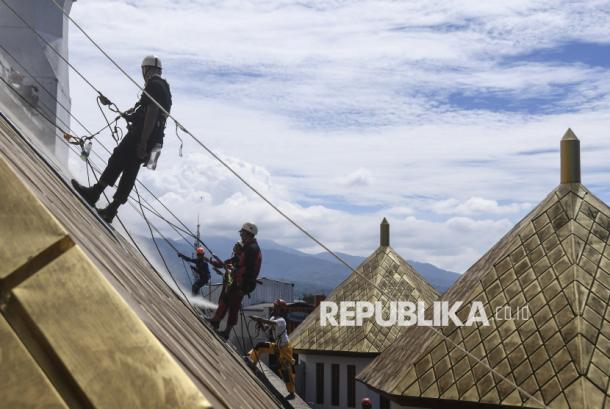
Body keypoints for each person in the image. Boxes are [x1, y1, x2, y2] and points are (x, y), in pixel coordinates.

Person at [71, 55, 172, 223]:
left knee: (117, 159)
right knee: (131, 170)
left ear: (146, 69)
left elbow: (152, 112)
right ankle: (111, 210)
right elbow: (154, 114)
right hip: (155, 139)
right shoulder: (165, 88)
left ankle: (95, 193)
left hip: (141, 135)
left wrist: (142, 141)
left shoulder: (153, 85)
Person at [208, 222, 262, 339]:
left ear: (248, 233)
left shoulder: (252, 249)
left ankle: (226, 332)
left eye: (242, 232)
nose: (241, 234)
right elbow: (235, 261)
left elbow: (249, 269)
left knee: (234, 306)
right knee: (225, 300)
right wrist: (219, 264)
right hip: (238, 281)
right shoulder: (248, 248)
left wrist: (241, 283)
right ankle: (216, 321)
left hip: (243, 283)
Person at [248, 299, 295, 400]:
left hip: (285, 349)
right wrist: (260, 324)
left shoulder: (282, 320)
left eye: (276, 307)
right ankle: (252, 362)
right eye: (275, 306)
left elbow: (269, 322)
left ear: (280, 309)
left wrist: (258, 319)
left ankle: (291, 392)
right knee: (260, 346)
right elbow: (266, 327)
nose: (274, 308)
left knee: (285, 371)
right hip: (277, 346)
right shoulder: (274, 318)